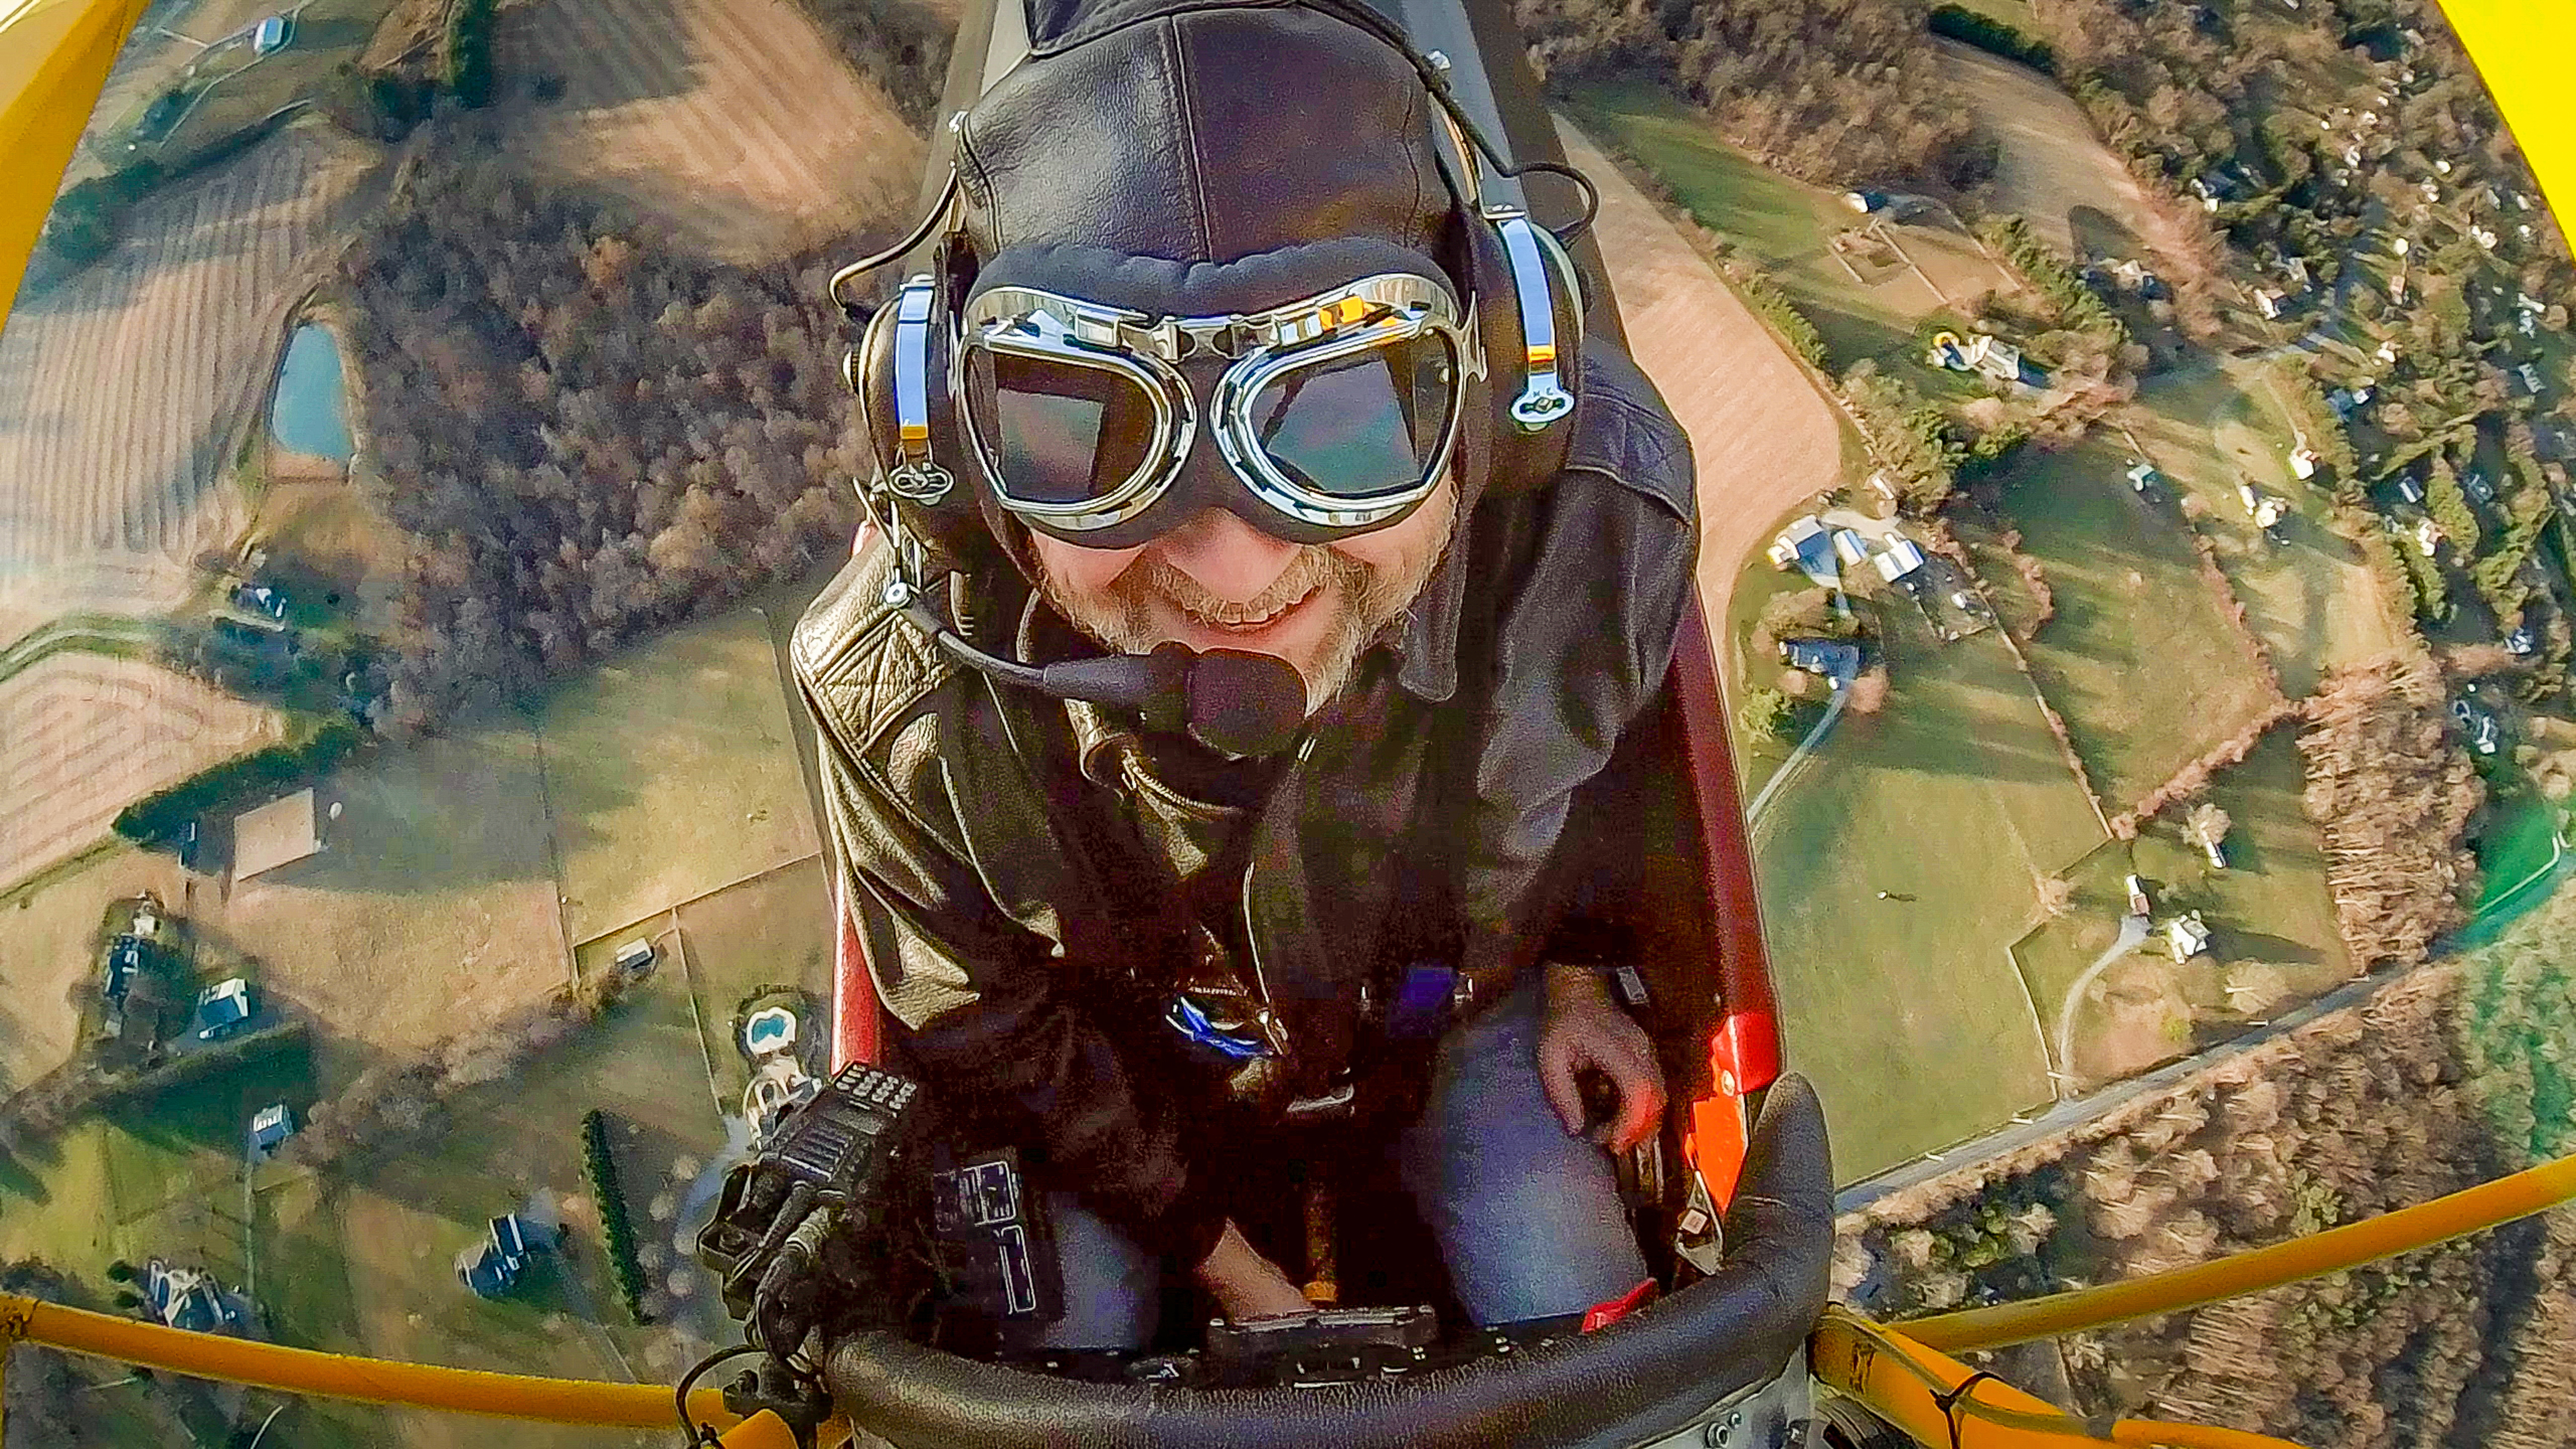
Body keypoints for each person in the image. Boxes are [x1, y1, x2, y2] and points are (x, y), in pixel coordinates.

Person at [792, 0, 1698, 1347]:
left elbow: (1613, 759)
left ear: (1498, 382)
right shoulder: (897, 687)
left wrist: (1572, 969)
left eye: (1339, 415)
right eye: (1092, 436)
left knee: (1607, 1358)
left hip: (1457, 1030)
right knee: (1062, 1386)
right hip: (1117, 1096)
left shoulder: (1591, 529)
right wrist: (1230, 1271)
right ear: (946, 444)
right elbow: (984, 1020)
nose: (1229, 570)